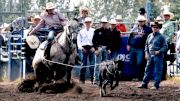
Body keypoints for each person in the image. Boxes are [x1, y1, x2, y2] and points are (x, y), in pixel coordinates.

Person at [138, 21, 168, 90]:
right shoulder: (149, 35)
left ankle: (156, 85)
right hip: (150, 54)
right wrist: (146, 53)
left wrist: (159, 51)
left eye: (156, 27)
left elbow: (165, 46)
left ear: (159, 28)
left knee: (158, 70)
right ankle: (144, 84)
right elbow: (146, 45)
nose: (154, 28)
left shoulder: (162, 37)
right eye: (153, 27)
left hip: (158, 55)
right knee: (147, 70)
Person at [127, 15, 152, 80]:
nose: (140, 22)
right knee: (132, 62)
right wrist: (128, 44)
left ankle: (140, 76)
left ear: (144, 22)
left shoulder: (148, 29)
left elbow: (150, 37)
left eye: (142, 21)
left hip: (141, 48)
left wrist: (145, 35)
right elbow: (130, 36)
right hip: (133, 47)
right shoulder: (134, 28)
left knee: (140, 62)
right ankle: (133, 76)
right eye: (139, 21)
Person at [77, 17, 95, 84]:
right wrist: (81, 48)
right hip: (83, 48)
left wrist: (94, 47)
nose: (88, 23)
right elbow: (78, 41)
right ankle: (82, 79)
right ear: (84, 23)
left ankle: (93, 79)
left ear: (91, 23)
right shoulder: (80, 31)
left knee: (92, 64)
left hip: (91, 48)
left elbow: (96, 41)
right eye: (86, 22)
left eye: (89, 22)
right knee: (83, 64)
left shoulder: (94, 31)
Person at [92, 17, 110, 84]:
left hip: (105, 48)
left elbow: (109, 41)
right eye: (103, 23)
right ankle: (96, 79)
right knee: (97, 64)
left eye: (105, 23)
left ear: (106, 23)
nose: (104, 24)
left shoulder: (108, 31)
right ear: (100, 23)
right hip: (99, 48)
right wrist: (96, 49)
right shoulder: (96, 31)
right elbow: (93, 41)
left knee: (105, 65)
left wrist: (108, 48)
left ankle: (104, 79)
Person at [160, 10, 175, 80]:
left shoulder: (170, 24)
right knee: (163, 58)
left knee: (163, 58)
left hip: (166, 43)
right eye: (165, 15)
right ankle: (172, 57)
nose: (165, 16)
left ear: (169, 17)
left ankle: (163, 76)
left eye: (167, 15)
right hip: (162, 43)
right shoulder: (164, 24)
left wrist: (165, 41)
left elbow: (171, 34)